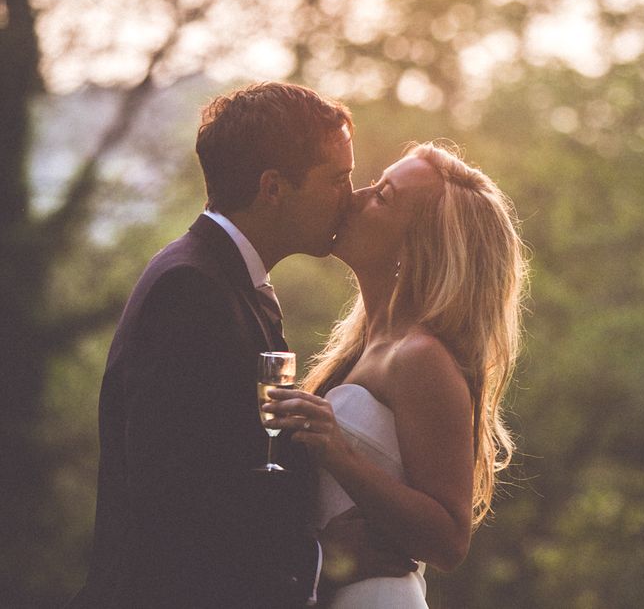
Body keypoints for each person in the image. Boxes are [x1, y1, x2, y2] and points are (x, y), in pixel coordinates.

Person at [68, 82, 415, 609]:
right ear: (273, 188)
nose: (351, 197)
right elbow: (175, 497)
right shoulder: (190, 290)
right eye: (337, 179)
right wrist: (322, 558)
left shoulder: (226, 281)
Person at [263, 141, 528, 608]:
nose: (357, 196)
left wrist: (338, 450)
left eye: (382, 196)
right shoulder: (365, 346)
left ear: (415, 247)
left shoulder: (420, 358)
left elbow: (449, 540)